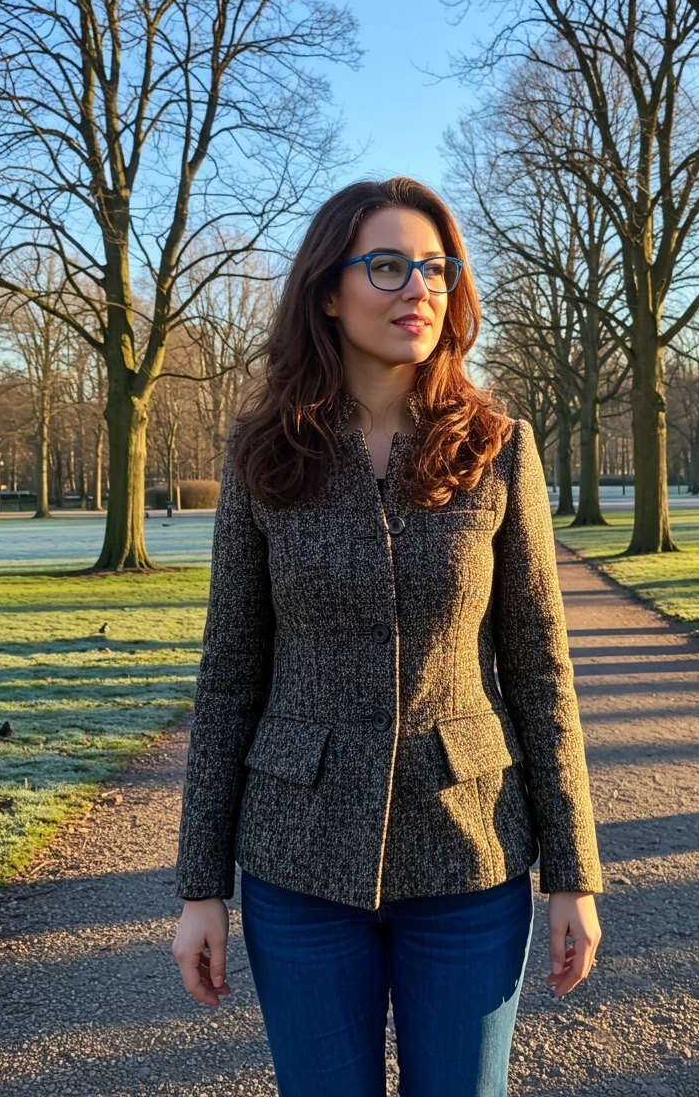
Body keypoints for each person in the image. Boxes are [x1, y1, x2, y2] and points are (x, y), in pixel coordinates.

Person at [172, 176, 603, 1097]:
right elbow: (230, 673)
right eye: (389, 266)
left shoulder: (499, 447)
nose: (420, 289)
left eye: (437, 269)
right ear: (329, 291)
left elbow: (540, 668)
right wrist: (200, 887)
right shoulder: (263, 454)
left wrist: (574, 873)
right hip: (297, 861)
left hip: (469, 853)